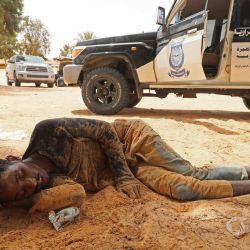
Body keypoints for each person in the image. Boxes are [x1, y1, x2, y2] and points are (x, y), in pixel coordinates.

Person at [0, 118, 250, 213]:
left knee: (190, 171)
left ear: (13, 160)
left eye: (20, 176)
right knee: (185, 189)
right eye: (23, 191)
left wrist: (123, 176)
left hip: (131, 139)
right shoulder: (47, 185)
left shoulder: (47, 132)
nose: (32, 183)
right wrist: (24, 201)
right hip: (130, 169)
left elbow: (104, 130)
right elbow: (75, 194)